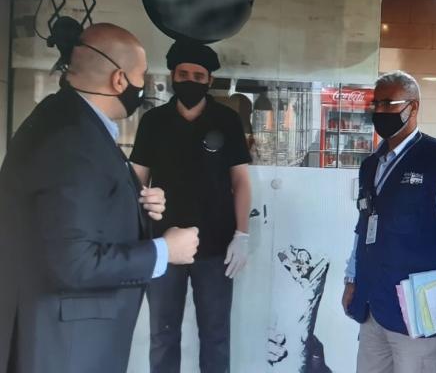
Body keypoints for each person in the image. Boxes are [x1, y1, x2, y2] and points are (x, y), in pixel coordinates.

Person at [0, 23, 199, 373]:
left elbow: (72, 215)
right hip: (66, 349)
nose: (142, 86)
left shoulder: (68, 120)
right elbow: (73, 262)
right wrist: (165, 251)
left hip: (67, 338)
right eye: (141, 76)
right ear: (120, 80)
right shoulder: (71, 139)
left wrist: (134, 202)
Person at [341, 70, 436, 373]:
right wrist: (352, 278)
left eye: (389, 104)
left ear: (414, 106)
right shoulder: (371, 165)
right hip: (374, 306)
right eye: (376, 104)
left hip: (422, 314)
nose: (380, 111)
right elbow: (363, 226)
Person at [130, 41, 252, 373]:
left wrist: (242, 234)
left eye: (198, 76)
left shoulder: (227, 120)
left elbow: (241, 181)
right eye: (183, 74)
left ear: (209, 80)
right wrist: (134, 233)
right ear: (173, 75)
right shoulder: (153, 121)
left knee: (215, 335)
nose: (190, 81)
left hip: (216, 246)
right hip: (163, 245)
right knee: (162, 335)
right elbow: (136, 181)